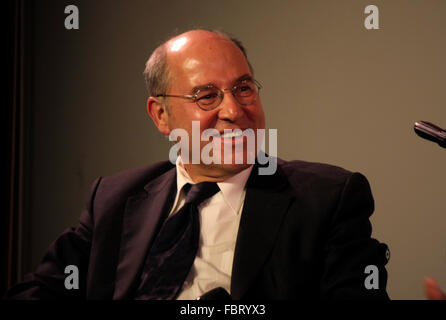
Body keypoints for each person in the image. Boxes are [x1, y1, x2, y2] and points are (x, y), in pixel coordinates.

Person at [6, 29, 390, 300]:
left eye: (243, 88)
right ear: (161, 115)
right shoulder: (113, 199)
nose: (233, 110)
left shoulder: (327, 199)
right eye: (207, 96)